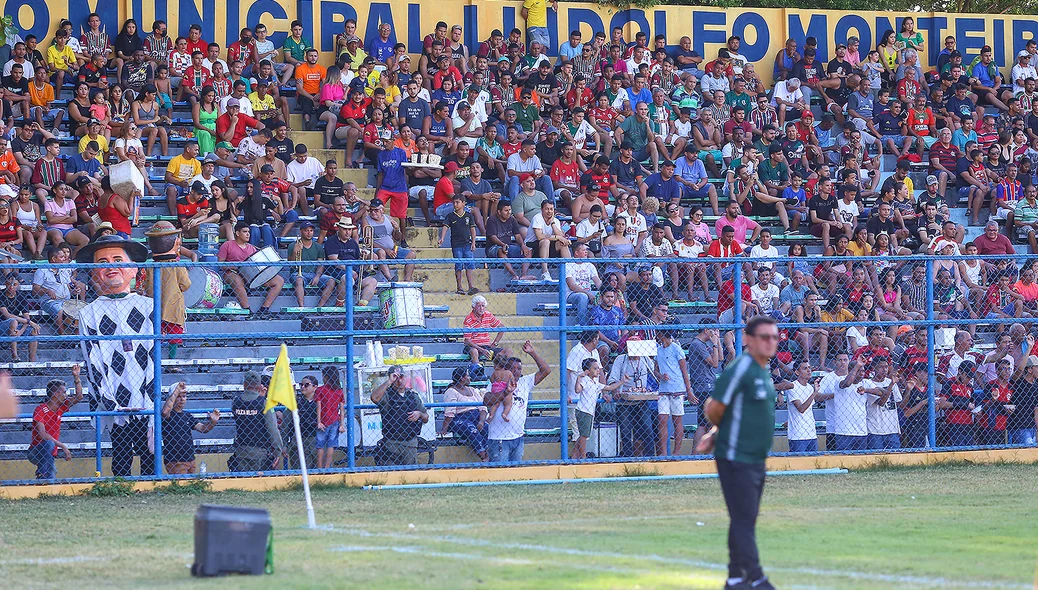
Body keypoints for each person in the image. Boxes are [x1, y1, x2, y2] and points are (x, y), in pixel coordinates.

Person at [697, 315, 780, 590]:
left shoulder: (763, 370)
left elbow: (738, 413)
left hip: (755, 458)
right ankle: (756, 578)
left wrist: (714, 433)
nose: (770, 342)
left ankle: (735, 578)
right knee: (745, 518)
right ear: (747, 340)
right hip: (735, 457)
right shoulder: (741, 369)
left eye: (774, 337)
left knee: (744, 517)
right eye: (764, 337)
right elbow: (714, 407)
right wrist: (716, 432)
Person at [75, 235, 155, 477]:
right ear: (95, 273)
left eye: (118, 259)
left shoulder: (149, 306)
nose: (111, 266)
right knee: (120, 450)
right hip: (112, 393)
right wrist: (107, 398)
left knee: (148, 450)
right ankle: (120, 487)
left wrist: (150, 395)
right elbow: (92, 360)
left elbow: (154, 353)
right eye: (103, 262)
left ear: (133, 269)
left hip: (144, 393)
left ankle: (151, 486)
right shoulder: (89, 313)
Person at [483, 341, 551, 462]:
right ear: (506, 369)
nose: (516, 371)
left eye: (519, 368)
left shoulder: (525, 382)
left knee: (516, 472)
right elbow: (486, 400)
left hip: (518, 437)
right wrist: (504, 393)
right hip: (499, 438)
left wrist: (532, 352)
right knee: (500, 473)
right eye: (512, 368)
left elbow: (546, 370)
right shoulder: (498, 382)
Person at [144, 221, 190, 360]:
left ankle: (155, 359)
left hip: (155, 305)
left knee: (156, 334)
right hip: (173, 305)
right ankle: (172, 360)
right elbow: (186, 284)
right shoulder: (177, 266)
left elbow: (148, 287)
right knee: (173, 334)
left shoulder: (151, 267)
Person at [27, 366, 83, 479]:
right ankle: (41, 472)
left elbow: (79, 397)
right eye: (64, 392)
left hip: (50, 453)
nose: (66, 395)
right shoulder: (41, 409)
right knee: (49, 443)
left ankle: (43, 479)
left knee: (50, 478)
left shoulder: (60, 407)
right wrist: (63, 446)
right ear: (56, 394)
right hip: (36, 451)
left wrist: (76, 378)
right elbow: (42, 434)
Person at [371, 365, 429, 466]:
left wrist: (419, 414)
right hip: (391, 443)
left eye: (401, 377)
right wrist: (389, 381)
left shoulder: (413, 396)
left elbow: (426, 418)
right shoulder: (387, 395)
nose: (399, 380)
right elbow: (374, 398)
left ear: (405, 378)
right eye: (396, 377)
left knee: (410, 474)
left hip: (410, 442)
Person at [232, 370, 287, 471]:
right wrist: (278, 452)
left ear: (244, 385)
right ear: (259, 386)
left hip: (240, 450)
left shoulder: (236, 401)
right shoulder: (264, 403)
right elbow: (272, 429)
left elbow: (248, 412)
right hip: (260, 452)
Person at [161, 382, 220, 474]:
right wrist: (176, 390)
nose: (182, 399)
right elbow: (165, 411)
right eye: (178, 397)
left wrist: (213, 422)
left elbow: (203, 428)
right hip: (175, 460)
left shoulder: (187, 415)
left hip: (190, 459)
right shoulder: (169, 415)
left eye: (184, 396)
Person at [573, 358, 626, 459]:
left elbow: (609, 388)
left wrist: (622, 381)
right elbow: (577, 390)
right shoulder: (585, 380)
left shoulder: (595, 383)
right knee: (584, 436)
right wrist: (579, 378)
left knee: (583, 435)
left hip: (589, 412)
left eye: (598, 368)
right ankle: (582, 457)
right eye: (595, 368)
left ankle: (575, 456)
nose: (598, 370)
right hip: (584, 411)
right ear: (587, 371)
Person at [656, 329, 694, 456]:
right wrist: (661, 376)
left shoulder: (676, 349)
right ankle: (663, 452)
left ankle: (676, 451)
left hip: (677, 388)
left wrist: (688, 390)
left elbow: (684, 370)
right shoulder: (659, 350)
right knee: (662, 418)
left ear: (662, 335)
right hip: (663, 389)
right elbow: (656, 369)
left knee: (677, 419)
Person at [440, 367, 490, 461]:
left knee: (487, 428)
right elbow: (450, 412)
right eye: (467, 375)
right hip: (460, 419)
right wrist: (444, 429)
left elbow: (482, 408)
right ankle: (484, 456)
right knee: (472, 430)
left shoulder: (473, 390)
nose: (470, 377)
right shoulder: (451, 391)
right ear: (462, 378)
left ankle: (489, 453)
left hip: (476, 418)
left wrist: (481, 421)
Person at [314, 365, 345, 469]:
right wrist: (342, 424)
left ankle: (319, 467)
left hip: (323, 420)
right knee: (331, 445)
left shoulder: (320, 390)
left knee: (320, 445)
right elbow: (341, 408)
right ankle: (327, 467)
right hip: (335, 420)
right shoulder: (339, 391)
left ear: (326, 377)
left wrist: (319, 421)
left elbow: (319, 406)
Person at [787, 360, 819, 452]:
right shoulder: (793, 387)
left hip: (811, 433)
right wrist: (815, 392)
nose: (809, 370)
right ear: (797, 372)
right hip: (798, 435)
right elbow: (801, 409)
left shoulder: (809, 387)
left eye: (809, 368)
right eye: (805, 368)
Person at [463, 295, 505, 364]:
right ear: (473, 307)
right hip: (474, 346)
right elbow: (467, 341)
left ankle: (502, 372)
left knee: (507, 351)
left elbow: (502, 328)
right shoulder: (469, 319)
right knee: (474, 351)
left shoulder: (488, 315)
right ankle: (478, 371)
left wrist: (494, 344)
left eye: (483, 306)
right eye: (479, 306)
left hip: (487, 346)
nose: (481, 308)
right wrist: (481, 350)